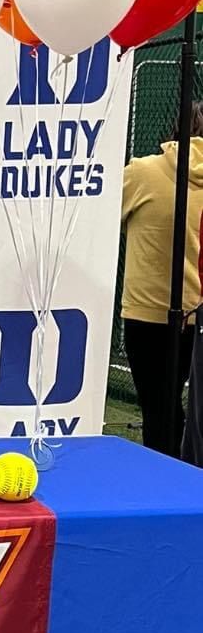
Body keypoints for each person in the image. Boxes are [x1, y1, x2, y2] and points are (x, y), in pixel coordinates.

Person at [120, 103, 203, 455]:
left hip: (147, 313)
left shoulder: (143, 172)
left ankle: (164, 485)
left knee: (158, 408)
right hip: (196, 313)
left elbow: (101, 217)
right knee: (182, 410)